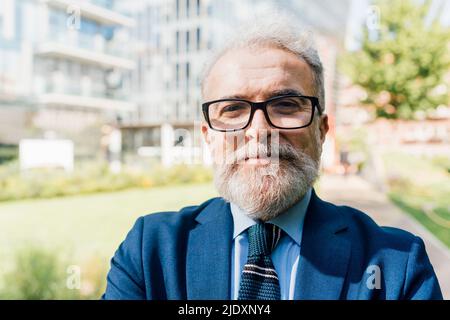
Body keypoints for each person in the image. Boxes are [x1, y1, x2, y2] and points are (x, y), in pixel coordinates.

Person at [102, 15, 442, 300]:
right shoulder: (150, 252)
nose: (259, 130)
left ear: (322, 130)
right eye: (233, 109)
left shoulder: (397, 266)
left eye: (286, 105)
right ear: (208, 136)